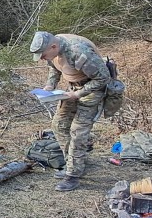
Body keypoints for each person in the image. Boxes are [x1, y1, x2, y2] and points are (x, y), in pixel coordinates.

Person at [30, 31, 110, 192]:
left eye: (43, 55)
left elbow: (103, 78)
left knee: (77, 131)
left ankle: (73, 175)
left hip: (92, 91)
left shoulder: (78, 51)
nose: (42, 58)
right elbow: (55, 68)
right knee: (59, 125)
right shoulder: (54, 51)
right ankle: (73, 163)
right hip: (72, 89)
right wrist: (50, 86)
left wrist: (78, 94)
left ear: (53, 46)